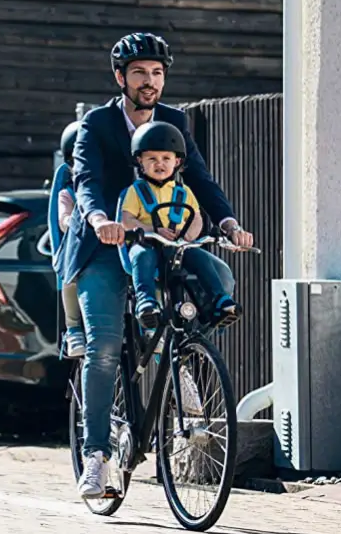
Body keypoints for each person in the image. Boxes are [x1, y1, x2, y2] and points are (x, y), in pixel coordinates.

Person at [52, 31, 254, 500]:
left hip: (161, 244)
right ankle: (97, 457)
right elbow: (86, 179)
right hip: (104, 246)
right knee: (103, 348)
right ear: (120, 77)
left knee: (215, 281)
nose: (150, 82)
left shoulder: (173, 120)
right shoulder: (97, 123)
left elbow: (201, 179)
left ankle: (182, 361)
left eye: (157, 73)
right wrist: (100, 218)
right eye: (140, 72)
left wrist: (227, 222)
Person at [120, 120, 241, 331]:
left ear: (177, 162)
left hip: (178, 247)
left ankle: (219, 300)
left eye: (166, 158)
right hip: (149, 244)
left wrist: (188, 238)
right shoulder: (136, 191)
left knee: (202, 260)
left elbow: (196, 218)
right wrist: (151, 231)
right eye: (152, 159)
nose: (160, 164)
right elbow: (127, 219)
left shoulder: (183, 192)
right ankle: (146, 302)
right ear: (140, 161)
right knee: (141, 257)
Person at [56, 121, 85, 358]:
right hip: (77, 244)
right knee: (70, 278)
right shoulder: (68, 194)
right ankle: (73, 327)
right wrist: (75, 220)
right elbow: (63, 220)